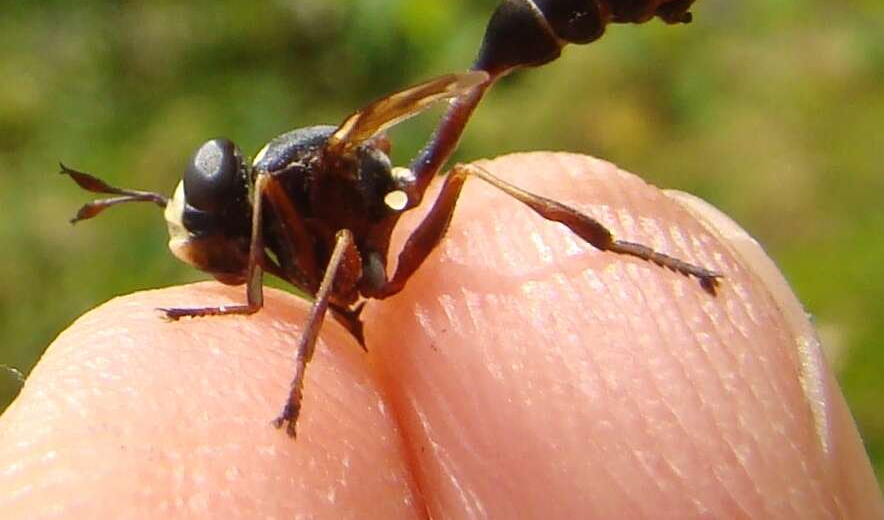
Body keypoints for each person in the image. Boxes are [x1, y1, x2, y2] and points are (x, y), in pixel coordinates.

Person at [1, 154, 881, 518]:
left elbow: (343, 241)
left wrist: (293, 371)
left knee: (463, 179)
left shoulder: (299, 198)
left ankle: (626, 248)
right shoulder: (286, 215)